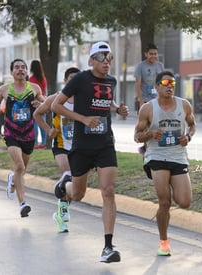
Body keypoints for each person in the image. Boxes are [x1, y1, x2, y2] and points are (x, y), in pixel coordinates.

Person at [51, 41, 129, 263]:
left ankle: (107, 247)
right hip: (82, 145)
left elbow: (107, 102)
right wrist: (83, 118)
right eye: (101, 57)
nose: (106, 62)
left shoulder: (111, 81)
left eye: (109, 57)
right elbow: (57, 105)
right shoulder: (80, 79)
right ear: (91, 60)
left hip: (105, 144)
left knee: (109, 191)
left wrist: (117, 109)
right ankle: (63, 186)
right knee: (78, 194)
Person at [134, 71, 196, 256]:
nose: (170, 86)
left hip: (178, 156)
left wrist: (188, 137)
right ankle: (163, 242)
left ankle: (167, 210)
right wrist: (151, 134)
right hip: (156, 156)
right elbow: (137, 136)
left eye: (173, 83)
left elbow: (192, 125)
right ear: (157, 87)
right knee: (164, 201)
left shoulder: (184, 105)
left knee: (184, 202)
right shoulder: (148, 108)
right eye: (166, 82)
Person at [0, 58, 45, 218]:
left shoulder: (34, 88)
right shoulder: (4, 89)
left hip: (29, 134)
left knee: (21, 170)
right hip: (11, 133)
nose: (20, 70)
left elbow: (44, 103)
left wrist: (40, 105)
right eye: (17, 67)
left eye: (23, 67)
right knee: (20, 166)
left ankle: (12, 179)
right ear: (12, 72)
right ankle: (23, 204)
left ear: (27, 71)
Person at [33, 67, 80, 233]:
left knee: (73, 186)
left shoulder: (85, 99)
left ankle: (61, 211)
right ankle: (62, 202)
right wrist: (48, 130)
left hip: (79, 148)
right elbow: (37, 114)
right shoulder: (55, 98)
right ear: (66, 81)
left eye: (78, 79)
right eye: (72, 79)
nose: (75, 82)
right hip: (61, 146)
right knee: (68, 174)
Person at [134, 43, 164, 155]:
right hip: (145, 100)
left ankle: (156, 148)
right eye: (151, 54)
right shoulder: (141, 67)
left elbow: (163, 83)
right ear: (146, 54)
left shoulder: (160, 66)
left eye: (155, 53)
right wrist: (141, 101)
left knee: (157, 124)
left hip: (158, 100)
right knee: (145, 127)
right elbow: (137, 85)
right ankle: (146, 150)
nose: (153, 56)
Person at [29, 60, 48, 149]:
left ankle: (35, 143)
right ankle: (44, 142)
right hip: (43, 102)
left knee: (34, 124)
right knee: (42, 122)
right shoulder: (44, 79)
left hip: (34, 103)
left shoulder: (31, 79)